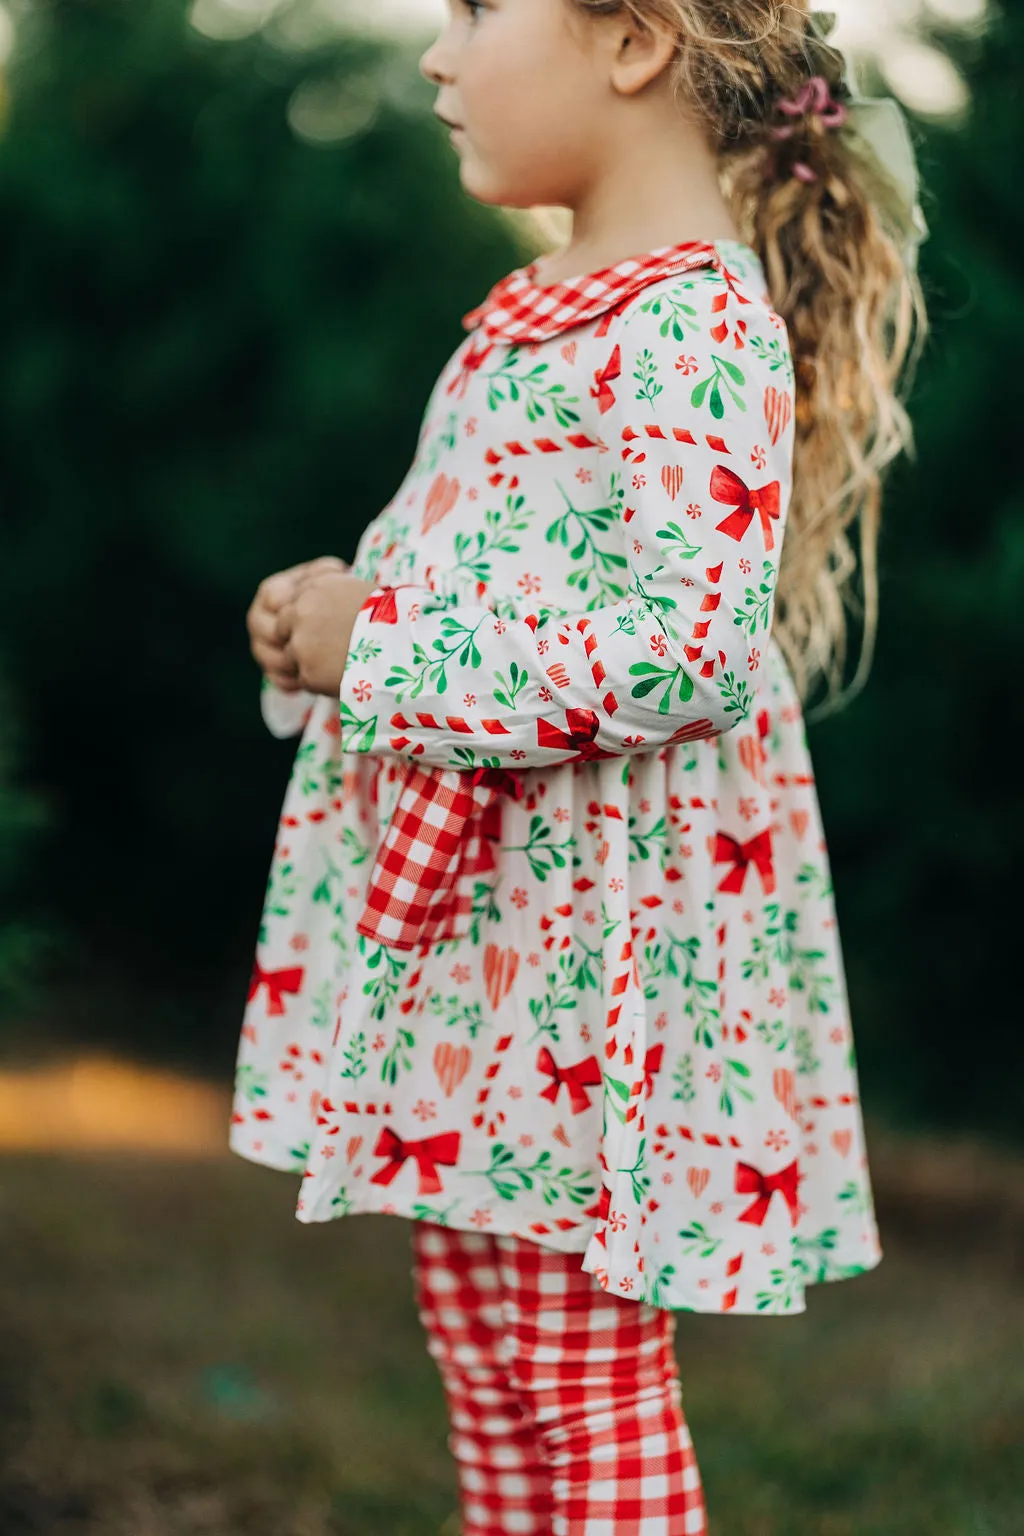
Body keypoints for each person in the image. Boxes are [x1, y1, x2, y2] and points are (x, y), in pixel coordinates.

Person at [236, 2, 928, 1531]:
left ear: (633, 40)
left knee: (579, 1374)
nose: (436, 52)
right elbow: (478, 569)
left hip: (595, 979)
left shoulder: (689, 323)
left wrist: (386, 641)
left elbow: (675, 652)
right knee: (488, 1347)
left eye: (479, 9)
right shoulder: (546, 304)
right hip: (497, 965)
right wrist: (326, 624)